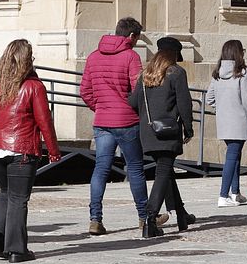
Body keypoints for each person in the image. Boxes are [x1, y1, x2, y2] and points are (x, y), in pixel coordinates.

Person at [0, 39, 61, 263]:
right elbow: (45, 122)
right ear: (28, 60)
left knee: (5, 191)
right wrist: (53, 150)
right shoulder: (34, 86)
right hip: (21, 149)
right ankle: (16, 249)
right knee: (18, 198)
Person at [80, 17, 151, 236]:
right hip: (127, 120)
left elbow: (85, 91)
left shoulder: (93, 57)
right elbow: (138, 90)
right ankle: (144, 218)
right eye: (137, 38)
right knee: (136, 169)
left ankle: (95, 220)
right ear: (131, 36)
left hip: (102, 121)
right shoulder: (131, 56)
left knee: (100, 169)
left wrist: (100, 107)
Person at [128, 38, 194, 238]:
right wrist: (188, 128)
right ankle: (150, 217)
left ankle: (181, 214)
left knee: (165, 172)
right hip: (167, 132)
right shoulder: (176, 73)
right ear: (174, 55)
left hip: (148, 132)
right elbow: (184, 104)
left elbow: (133, 102)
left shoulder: (145, 75)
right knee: (163, 172)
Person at [206, 40, 247, 208]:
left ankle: (235, 192)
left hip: (224, 120)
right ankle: (223, 195)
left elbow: (209, 98)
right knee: (232, 157)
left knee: (235, 155)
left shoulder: (217, 72)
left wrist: (222, 108)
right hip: (239, 119)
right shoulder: (242, 72)